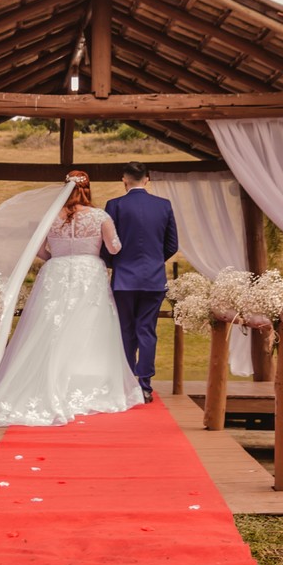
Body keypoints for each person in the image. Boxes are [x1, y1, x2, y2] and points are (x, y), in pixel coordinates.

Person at [0, 170, 145, 426]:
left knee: (50, 327)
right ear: (88, 189)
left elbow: (37, 249)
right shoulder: (99, 216)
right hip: (89, 273)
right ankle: (85, 382)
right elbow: (115, 247)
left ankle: (48, 378)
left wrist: (55, 259)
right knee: (90, 327)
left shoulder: (50, 217)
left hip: (56, 272)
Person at [103, 161, 178, 402]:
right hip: (154, 279)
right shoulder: (163, 206)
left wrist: (116, 263)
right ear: (147, 179)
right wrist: (156, 260)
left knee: (125, 330)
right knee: (147, 330)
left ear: (124, 179)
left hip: (124, 278)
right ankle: (145, 385)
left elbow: (108, 243)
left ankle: (126, 385)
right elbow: (172, 245)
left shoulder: (114, 206)